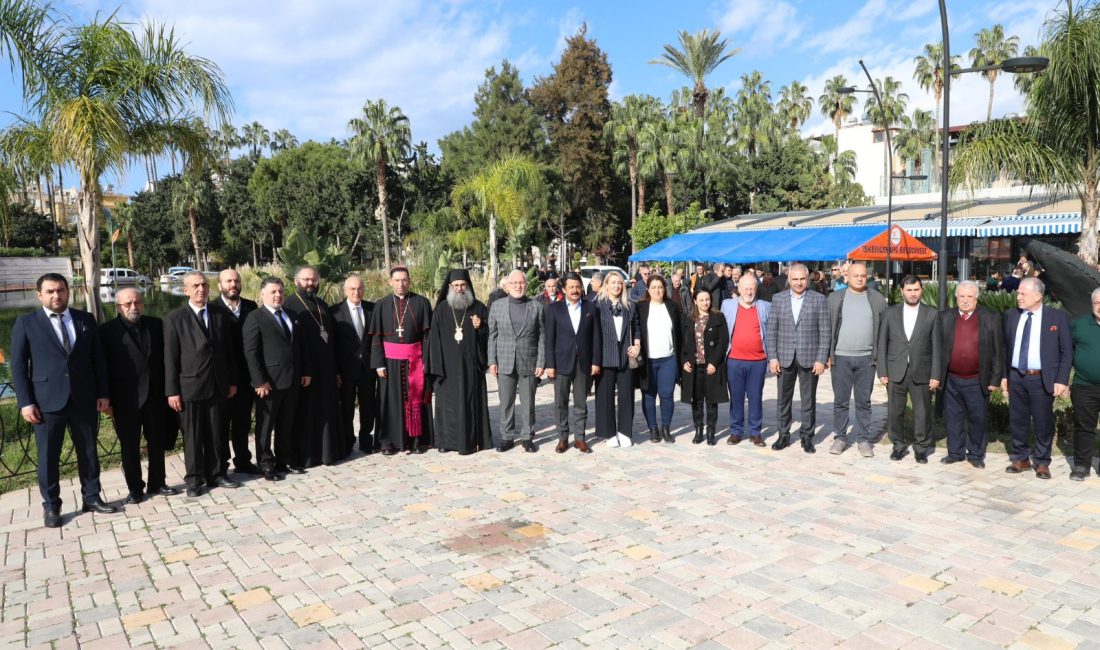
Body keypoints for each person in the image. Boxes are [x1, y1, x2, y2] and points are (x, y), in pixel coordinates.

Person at [11, 273, 119, 527]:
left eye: (60, 290)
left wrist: (103, 393)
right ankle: (52, 506)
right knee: (48, 457)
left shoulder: (85, 319)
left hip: (84, 399)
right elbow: (18, 366)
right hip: (46, 402)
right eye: (50, 291)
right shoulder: (26, 323)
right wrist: (25, 402)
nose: (56, 295)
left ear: (68, 291)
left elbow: (99, 360)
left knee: (89, 452)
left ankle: (91, 497)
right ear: (40, 295)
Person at [164, 271, 240, 497]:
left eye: (204, 285)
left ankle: (217, 473)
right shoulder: (174, 318)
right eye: (195, 286)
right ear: (185, 290)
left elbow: (229, 352)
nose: (201, 289)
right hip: (190, 387)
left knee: (217, 432)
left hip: (218, 384)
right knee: (194, 436)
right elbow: (170, 358)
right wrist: (172, 391)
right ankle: (194, 479)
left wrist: (232, 381)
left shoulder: (219, 314)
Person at [101, 288, 177, 504]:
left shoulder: (156, 325)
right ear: (118, 307)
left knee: (157, 442)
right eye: (128, 304)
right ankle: (135, 488)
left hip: (154, 395)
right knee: (129, 446)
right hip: (125, 400)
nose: (134, 307)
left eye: (137, 302)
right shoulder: (106, 331)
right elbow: (102, 368)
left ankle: (158, 482)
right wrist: (106, 400)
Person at [1003, 277, 1073, 479]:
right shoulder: (1011, 315)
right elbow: (1004, 348)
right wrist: (1004, 376)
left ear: (1038, 296)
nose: (1018, 297)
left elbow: (1066, 352)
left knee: (1043, 421)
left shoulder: (1057, 318)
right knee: (1017, 420)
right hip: (1016, 376)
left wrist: (1061, 380)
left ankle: (1042, 462)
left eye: (1022, 294)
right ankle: (1021, 457)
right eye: (1018, 293)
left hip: (1041, 378)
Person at [242, 277, 310, 481]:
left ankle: (285, 460)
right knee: (265, 426)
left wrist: (305, 371)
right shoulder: (255, 317)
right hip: (269, 383)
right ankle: (266, 464)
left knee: (287, 423)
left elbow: (299, 346)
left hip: (291, 380)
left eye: (280, 291)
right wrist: (259, 381)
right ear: (262, 294)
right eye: (273, 292)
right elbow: (251, 352)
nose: (278, 295)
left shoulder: (291, 315)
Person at [935, 280, 1003, 469]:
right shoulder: (945, 317)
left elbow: (999, 350)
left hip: (977, 379)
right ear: (956, 298)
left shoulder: (991, 318)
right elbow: (937, 348)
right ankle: (955, 452)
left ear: (976, 298)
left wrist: (995, 378)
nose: (965, 301)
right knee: (953, 417)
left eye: (970, 297)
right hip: (951, 379)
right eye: (962, 296)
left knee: (977, 418)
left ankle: (975, 454)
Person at [766, 263, 830, 453]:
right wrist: (773, 357)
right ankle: (783, 434)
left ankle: (807, 436)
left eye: (802, 279)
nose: (799, 282)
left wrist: (821, 359)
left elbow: (825, 331)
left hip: (809, 358)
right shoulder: (778, 299)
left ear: (808, 278)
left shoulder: (818, 299)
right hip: (784, 357)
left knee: (808, 400)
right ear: (788, 279)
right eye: (795, 279)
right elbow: (772, 331)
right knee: (783, 400)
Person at [369, 266, 434, 454]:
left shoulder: (421, 302)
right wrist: (378, 363)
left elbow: (427, 336)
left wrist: (427, 362)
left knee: (417, 401)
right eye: (397, 280)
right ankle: (389, 442)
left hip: (415, 360)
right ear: (390, 282)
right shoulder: (381, 305)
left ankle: (417, 441)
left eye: (404, 280)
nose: (401, 284)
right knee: (390, 402)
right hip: (389, 363)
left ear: (409, 281)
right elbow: (376, 337)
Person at [877, 276, 941, 464]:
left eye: (916, 290)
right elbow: (882, 343)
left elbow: (937, 346)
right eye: (909, 290)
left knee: (922, 412)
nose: (912, 294)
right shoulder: (890, 313)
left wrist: (936, 374)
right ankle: (898, 444)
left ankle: (921, 448)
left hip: (922, 371)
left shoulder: (932, 314)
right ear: (902, 292)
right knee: (895, 411)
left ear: (921, 290)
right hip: (895, 370)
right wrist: (882, 370)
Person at [428, 269, 492, 454]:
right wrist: (437, 368)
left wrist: (480, 328)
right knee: (447, 407)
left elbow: (488, 336)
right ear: (449, 287)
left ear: (468, 286)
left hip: (471, 368)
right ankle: (447, 442)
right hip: (447, 370)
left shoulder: (478, 308)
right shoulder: (441, 309)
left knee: (470, 404)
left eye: (462, 285)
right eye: (455, 285)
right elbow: (434, 340)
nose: (459, 289)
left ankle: (472, 441)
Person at [285, 266, 344, 466]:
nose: (310, 283)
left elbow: (332, 339)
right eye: (306, 279)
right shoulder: (289, 305)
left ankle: (328, 452)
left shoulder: (322, 304)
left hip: (326, 368)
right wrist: (303, 370)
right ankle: (308, 456)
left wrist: (336, 369)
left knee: (327, 410)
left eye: (314, 280)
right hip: (305, 370)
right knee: (307, 413)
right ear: (296, 281)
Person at [827, 262, 887, 458]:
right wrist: (828, 355)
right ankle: (840, 437)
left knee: (863, 401)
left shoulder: (877, 299)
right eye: (856, 276)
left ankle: (863, 439)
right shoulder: (836, 298)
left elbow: (883, 331)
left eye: (863, 275)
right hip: (841, 357)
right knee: (841, 401)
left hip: (866, 359)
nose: (860, 278)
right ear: (847, 277)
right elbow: (828, 328)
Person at [208, 269, 260, 476]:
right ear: (220, 285)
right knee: (220, 424)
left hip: (247, 376)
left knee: (243, 421)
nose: (233, 284)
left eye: (236, 281)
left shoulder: (251, 307)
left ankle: (243, 460)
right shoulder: (212, 308)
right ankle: (221, 465)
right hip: (222, 378)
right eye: (228, 281)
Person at [487, 270, 545, 453]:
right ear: (507, 286)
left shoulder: (536, 306)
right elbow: (492, 336)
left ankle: (528, 436)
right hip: (504, 360)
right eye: (515, 283)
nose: (518, 286)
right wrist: (491, 361)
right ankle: (507, 437)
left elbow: (542, 336)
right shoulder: (497, 306)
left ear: (526, 285)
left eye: (522, 283)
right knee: (506, 401)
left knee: (528, 402)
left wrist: (541, 361)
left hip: (529, 359)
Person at [544, 272, 601, 454]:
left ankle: (580, 438)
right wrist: (550, 365)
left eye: (578, 287)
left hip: (583, 363)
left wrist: (595, 362)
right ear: (564, 289)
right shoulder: (554, 309)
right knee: (560, 402)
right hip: (561, 362)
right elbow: (549, 339)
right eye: (571, 287)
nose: (575, 290)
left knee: (580, 402)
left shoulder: (591, 308)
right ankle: (563, 437)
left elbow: (596, 338)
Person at [721, 274, 771, 446]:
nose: (749, 291)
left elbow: (770, 333)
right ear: (739, 289)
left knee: (756, 397)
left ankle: (755, 432)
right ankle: (736, 431)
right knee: (736, 397)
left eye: (752, 288)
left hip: (758, 360)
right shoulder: (727, 305)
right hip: (734, 360)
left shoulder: (765, 307)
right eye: (746, 288)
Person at [330, 274, 377, 454]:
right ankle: (347, 441)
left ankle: (366, 439)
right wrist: (335, 371)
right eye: (352, 289)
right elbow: (332, 345)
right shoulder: (334, 312)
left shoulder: (372, 309)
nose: (356, 292)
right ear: (345, 291)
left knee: (368, 406)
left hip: (367, 368)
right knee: (347, 407)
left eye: (360, 289)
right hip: (345, 370)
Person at [595, 271, 642, 447]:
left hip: (626, 356)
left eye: (620, 283)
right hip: (605, 357)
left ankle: (624, 431)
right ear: (606, 285)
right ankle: (609, 433)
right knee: (605, 396)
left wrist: (637, 345)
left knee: (626, 396)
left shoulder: (630, 305)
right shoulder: (598, 305)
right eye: (613, 283)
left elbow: (637, 326)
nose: (617, 286)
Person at [637, 275, 682, 443]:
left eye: (660, 287)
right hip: (648, 359)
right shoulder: (641, 307)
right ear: (648, 289)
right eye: (654, 287)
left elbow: (679, 333)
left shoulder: (672, 306)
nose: (657, 290)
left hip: (668, 359)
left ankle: (666, 428)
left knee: (667, 394)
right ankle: (653, 428)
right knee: (648, 394)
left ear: (665, 289)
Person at [681, 290, 729, 445]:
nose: (705, 303)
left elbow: (723, 342)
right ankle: (698, 430)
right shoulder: (689, 318)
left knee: (711, 400)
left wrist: (714, 362)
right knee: (697, 401)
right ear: (695, 301)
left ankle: (711, 431)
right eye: (701, 300)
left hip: (711, 366)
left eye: (707, 299)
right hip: (694, 367)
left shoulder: (718, 317)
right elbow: (682, 342)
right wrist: (684, 360)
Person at [1070, 288, 1100, 480]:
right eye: (1097, 303)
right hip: (1084, 386)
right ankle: (1082, 465)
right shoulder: (1078, 325)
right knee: (1083, 427)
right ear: (1092, 304)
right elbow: (1066, 353)